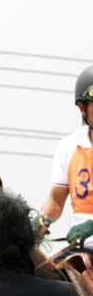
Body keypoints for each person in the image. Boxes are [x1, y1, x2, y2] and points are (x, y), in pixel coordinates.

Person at [39, 65, 93, 243]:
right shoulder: (67, 147)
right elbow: (55, 203)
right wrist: (41, 220)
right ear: (82, 108)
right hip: (79, 247)